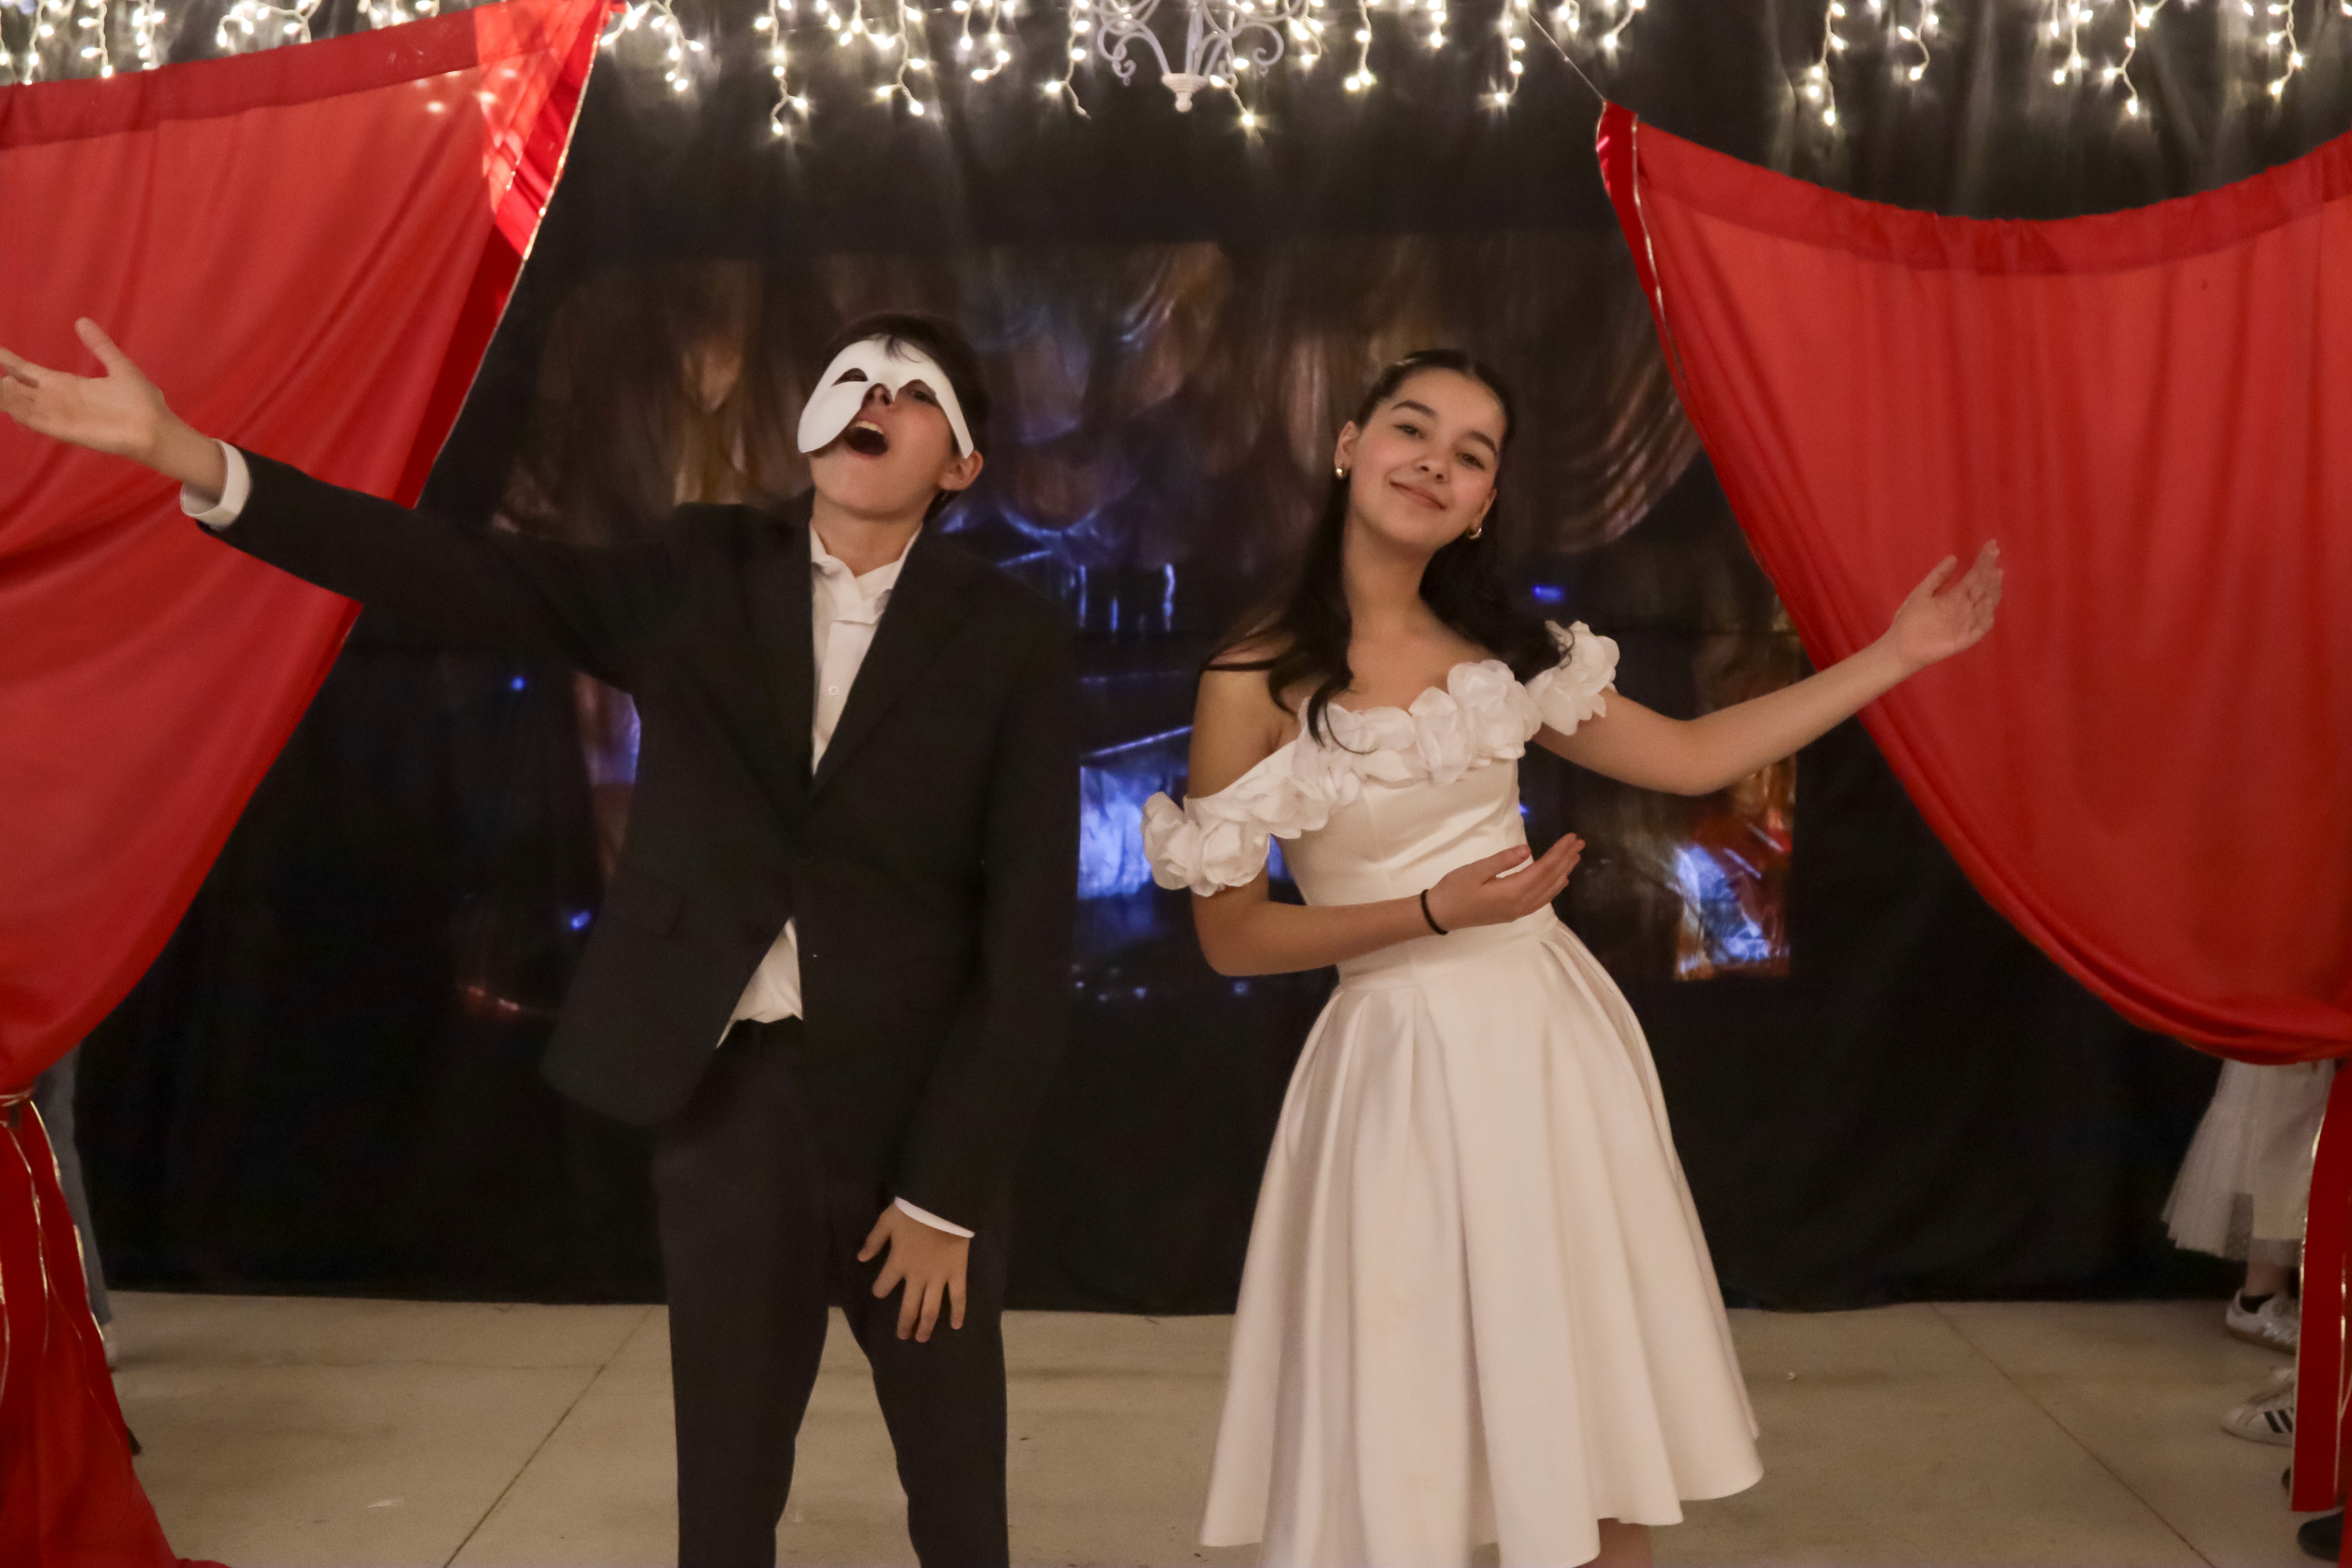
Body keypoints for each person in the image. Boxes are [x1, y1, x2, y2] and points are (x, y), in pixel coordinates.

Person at [1, 311, 1079, 1568]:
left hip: (918, 1115)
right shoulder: (698, 573)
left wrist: (946, 1196)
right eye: (854, 375)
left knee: (957, 1492)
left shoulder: (1008, 636)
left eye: (913, 390)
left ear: (961, 464)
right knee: (728, 1489)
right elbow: (453, 569)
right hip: (732, 1102)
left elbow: (1027, 940)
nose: (873, 396)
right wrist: (193, 459)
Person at [1142, 350, 2002, 1568]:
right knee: (1413, 1441)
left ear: (1484, 504)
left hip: (1548, 1053)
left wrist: (1895, 656)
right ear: (1347, 447)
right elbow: (1232, 938)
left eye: (1472, 454)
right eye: (1412, 430)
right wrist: (1427, 913)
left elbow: (1697, 757)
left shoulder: (1506, 653)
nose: (1434, 463)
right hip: (1396, 1072)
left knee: (1588, 1447)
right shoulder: (1255, 676)